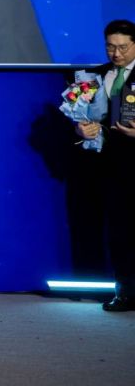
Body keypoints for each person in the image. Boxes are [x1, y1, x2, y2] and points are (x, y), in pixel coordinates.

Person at [75, 19, 135, 312]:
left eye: (123, 47)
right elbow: (78, 114)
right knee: (119, 231)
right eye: (110, 47)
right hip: (109, 167)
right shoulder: (93, 77)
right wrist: (81, 128)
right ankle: (126, 292)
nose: (116, 54)